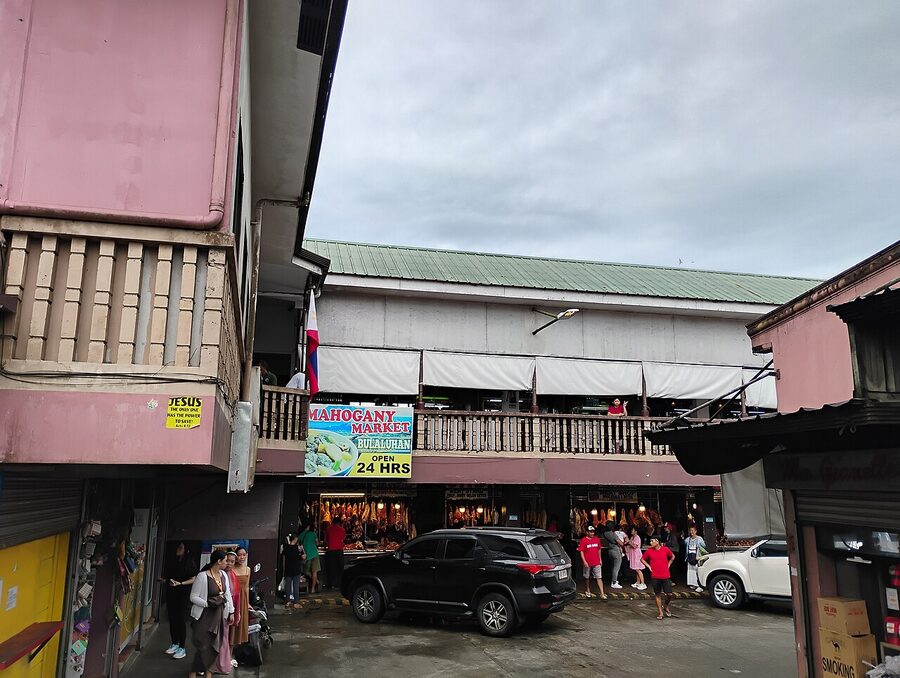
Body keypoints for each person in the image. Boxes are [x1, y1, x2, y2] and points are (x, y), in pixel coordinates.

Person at [189, 550, 235, 677]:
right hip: (204, 615)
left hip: (219, 615)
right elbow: (193, 597)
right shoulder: (203, 576)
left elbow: (227, 594)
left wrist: (231, 611)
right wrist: (207, 603)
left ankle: (208, 675)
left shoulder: (223, 575)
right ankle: (192, 673)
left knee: (215, 646)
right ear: (218, 562)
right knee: (203, 647)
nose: (227, 563)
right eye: (225, 560)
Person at [160, 542, 195, 660]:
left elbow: (193, 578)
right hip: (171, 593)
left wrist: (180, 583)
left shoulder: (189, 562)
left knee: (180, 619)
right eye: (178, 547)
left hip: (182, 594)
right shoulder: (174, 561)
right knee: (172, 618)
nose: (178, 549)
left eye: (181, 548)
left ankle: (182, 647)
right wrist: (165, 581)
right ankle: (174, 643)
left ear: (185, 550)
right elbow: (171, 576)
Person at [641, 535, 675, 620]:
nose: (651, 543)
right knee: (657, 594)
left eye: (652, 541)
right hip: (655, 576)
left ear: (657, 541)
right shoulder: (649, 551)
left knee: (669, 594)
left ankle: (666, 606)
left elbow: (672, 557)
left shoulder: (665, 549)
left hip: (665, 575)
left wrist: (668, 565)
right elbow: (642, 559)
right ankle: (660, 612)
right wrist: (648, 566)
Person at [577, 525, 607, 599]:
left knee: (599, 577)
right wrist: (584, 561)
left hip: (596, 562)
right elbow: (581, 551)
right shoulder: (583, 540)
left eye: (593, 532)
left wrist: (600, 559)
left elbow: (599, 549)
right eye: (590, 532)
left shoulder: (597, 539)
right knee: (587, 577)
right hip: (587, 562)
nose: (592, 533)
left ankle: (602, 593)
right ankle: (588, 590)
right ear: (587, 532)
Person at [230, 547, 251, 648]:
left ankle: (236, 651)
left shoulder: (248, 569)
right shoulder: (231, 569)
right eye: (239, 555)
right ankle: (228, 653)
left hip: (243, 600)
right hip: (233, 599)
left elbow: (246, 587)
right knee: (232, 625)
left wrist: (247, 603)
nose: (242, 557)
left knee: (241, 625)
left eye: (244, 555)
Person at [281, 534, 306, 609]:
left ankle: (288, 601)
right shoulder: (298, 548)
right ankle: (296, 602)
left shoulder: (286, 547)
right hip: (296, 569)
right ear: (295, 539)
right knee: (296, 586)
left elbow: (282, 554)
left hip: (288, 569)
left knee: (287, 586)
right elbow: (303, 557)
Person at [324, 518, 346, 590]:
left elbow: (325, 541)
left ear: (333, 522)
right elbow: (342, 540)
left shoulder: (328, 529)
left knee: (331, 569)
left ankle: (331, 585)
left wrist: (325, 547)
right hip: (339, 551)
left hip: (331, 551)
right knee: (340, 568)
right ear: (339, 523)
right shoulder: (342, 530)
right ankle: (341, 584)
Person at [684, 524, 708, 592]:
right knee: (691, 571)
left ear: (696, 531)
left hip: (696, 556)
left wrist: (699, 546)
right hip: (690, 556)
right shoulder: (688, 539)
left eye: (692, 530)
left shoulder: (699, 538)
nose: (691, 532)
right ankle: (693, 584)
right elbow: (684, 542)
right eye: (690, 531)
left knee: (697, 571)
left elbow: (704, 546)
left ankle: (699, 585)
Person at [299, 522, 321, 593]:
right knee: (314, 572)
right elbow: (317, 543)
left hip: (307, 555)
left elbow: (298, 541)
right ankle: (313, 588)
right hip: (315, 554)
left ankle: (316, 581)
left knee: (306, 571)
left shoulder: (302, 534)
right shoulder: (313, 534)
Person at [602, 521, 624, 589]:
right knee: (616, 567)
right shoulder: (613, 534)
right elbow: (621, 543)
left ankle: (614, 580)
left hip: (610, 550)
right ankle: (614, 582)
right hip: (615, 550)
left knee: (614, 566)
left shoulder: (605, 533)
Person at [625, 526, 647, 590]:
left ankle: (643, 583)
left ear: (636, 531)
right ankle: (638, 582)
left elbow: (634, 546)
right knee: (636, 569)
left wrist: (628, 542)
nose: (631, 531)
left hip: (637, 554)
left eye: (633, 530)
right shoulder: (632, 537)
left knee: (638, 569)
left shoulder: (637, 537)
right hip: (633, 554)